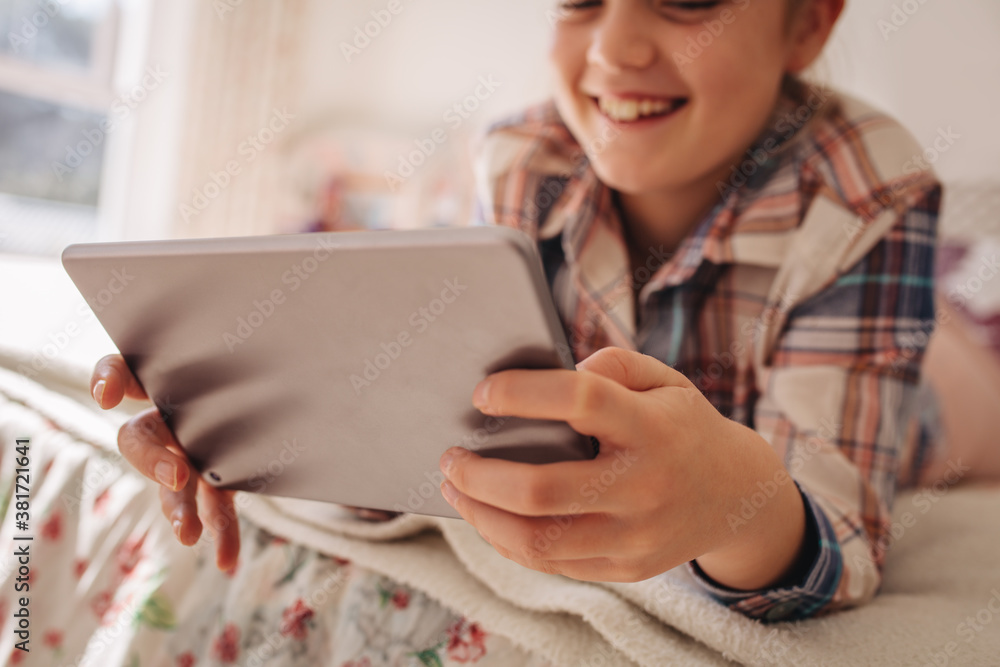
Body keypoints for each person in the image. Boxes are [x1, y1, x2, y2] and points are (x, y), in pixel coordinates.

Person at [90, 0, 1000, 629]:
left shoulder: (871, 182)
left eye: (684, 0)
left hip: (918, 397)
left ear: (808, 21)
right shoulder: (520, 158)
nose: (614, 51)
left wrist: (734, 508)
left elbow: (841, 522)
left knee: (970, 393)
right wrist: (264, 422)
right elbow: (448, 415)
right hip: (709, 375)